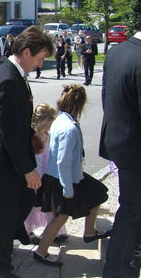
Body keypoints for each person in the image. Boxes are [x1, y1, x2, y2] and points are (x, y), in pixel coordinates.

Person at [0, 25, 53, 278]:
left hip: (10, 160)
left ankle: (1, 255)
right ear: (25, 52)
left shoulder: (12, 74)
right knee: (6, 216)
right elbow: (8, 132)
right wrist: (27, 170)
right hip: (5, 163)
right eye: (39, 58)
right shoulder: (9, 79)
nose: (40, 64)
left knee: (16, 209)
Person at [99, 2, 141, 278]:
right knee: (132, 207)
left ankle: (136, 252)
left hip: (116, 140)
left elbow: (105, 95)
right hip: (134, 147)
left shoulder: (117, 52)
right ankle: (115, 265)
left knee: (131, 203)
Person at [33, 85, 109, 266]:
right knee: (61, 216)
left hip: (66, 176)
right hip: (63, 179)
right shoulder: (69, 128)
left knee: (97, 192)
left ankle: (90, 232)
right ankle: (41, 252)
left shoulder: (61, 120)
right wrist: (67, 188)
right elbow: (63, 161)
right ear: (79, 105)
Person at [24, 103, 68, 244]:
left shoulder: (50, 136)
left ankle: (54, 231)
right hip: (35, 175)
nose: (49, 128)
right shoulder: (32, 138)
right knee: (31, 205)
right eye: (47, 124)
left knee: (49, 203)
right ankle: (27, 231)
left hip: (47, 175)